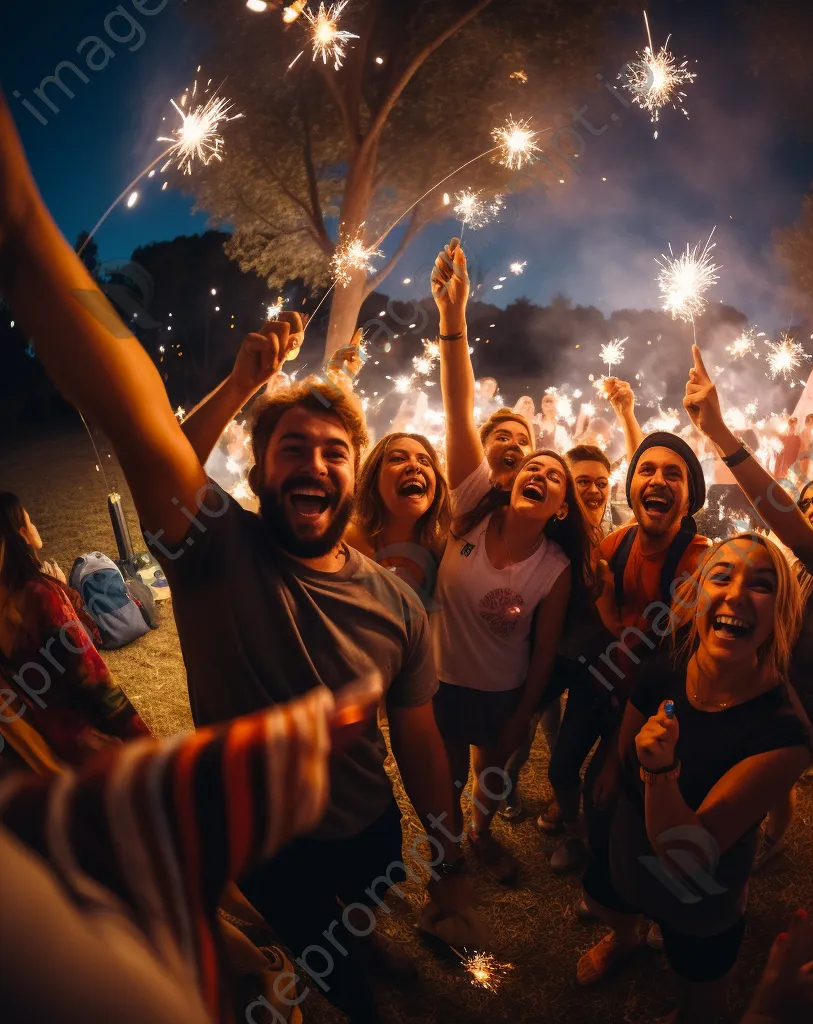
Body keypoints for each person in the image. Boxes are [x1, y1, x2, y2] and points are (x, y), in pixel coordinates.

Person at [0, 99, 474, 1022]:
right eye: (292, 447)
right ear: (257, 471)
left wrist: (447, 856)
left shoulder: (399, 605)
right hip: (260, 841)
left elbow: (417, 739)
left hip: (368, 829)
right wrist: (20, 229)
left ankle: (364, 927)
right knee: (326, 974)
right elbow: (138, 408)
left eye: (336, 450)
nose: (315, 462)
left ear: (358, 477)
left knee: (361, 911)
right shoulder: (214, 550)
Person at [0, 685, 377, 1024]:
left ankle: (275, 946)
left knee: (174, 884)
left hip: (57, 781)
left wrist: (151, 777)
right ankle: (276, 945)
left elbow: (90, 681)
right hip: (52, 801)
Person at [576, 533, 812, 1022]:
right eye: (721, 576)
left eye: (762, 585)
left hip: (702, 891)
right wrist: (610, 769)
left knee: (700, 992)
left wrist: (660, 772)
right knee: (612, 897)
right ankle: (627, 937)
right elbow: (627, 734)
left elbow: (689, 855)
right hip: (628, 840)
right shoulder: (668, 656)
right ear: (699, 593)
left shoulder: (785, 732)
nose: (736, 594)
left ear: (781, 612)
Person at [683, 344, 813, 866]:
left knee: (766, 773)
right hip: (789, 683)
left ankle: (755, 844)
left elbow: (807, 544)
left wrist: (721, 434)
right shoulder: (807, 569)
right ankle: (775, 829)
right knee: (774, 771)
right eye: (807, 503)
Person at [431, 237, 592, 884]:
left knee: (489, 778)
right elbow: (457, 406)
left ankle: (480, 832)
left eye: (555, 476)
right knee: (440, 775)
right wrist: (453, 316)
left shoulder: (554, 566)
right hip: (439, 685)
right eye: (533, 466)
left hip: (503, 696)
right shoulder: (472, 508)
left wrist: (525, 713)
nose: (541, 472)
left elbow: (546, 653)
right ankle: (446, 855)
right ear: (512, 479)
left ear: (559, 506)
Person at [540, 432, 711, 877]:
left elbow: (666, 664)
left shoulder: (698, 563)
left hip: (646, 702)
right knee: (560, 771)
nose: (657, 480)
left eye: (673, 474)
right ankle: (575, 834)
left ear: (691, 498)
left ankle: (606, 868)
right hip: (596, 684)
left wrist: (617, 760)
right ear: (631, 487)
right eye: (646, 470)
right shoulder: (614, 544)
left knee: (608, 792)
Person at [500, 444, 612, 850]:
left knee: (562, 743)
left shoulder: (616, 534)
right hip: (548, 654)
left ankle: (566, 815)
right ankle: (506, 789)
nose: (594, 490)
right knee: (524, 727)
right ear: (565, 494)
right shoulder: (548, 531)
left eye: (601, 482)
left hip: (592, 663)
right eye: (582, 481)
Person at [0, 493, 148, 768]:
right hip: (87, 739)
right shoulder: (39, 595)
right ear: (21, 534)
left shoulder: (7, 599)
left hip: (48, 740)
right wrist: (139, 736)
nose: (35, 528)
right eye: (30, 522)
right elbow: (91, 675)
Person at [346, 432, 451, 601]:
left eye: (424, 461)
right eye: (398, 459)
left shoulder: (443, 553)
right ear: (373, 478)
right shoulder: (345, 546)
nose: (415, 466)